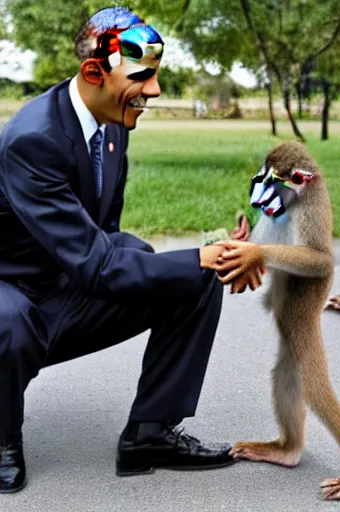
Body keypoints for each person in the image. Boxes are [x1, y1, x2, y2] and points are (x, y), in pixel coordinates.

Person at [0, 7, 260, 493]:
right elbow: (96, 263)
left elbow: (106, 235)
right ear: (94, 73)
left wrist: (209, 256)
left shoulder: (113, 124)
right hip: (13, 291)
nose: (155, 90)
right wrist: (194, 257)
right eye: (142, 76)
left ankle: (151, 433)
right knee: (7, 320)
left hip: (66, 283)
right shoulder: (31, 141)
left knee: (195, 277)